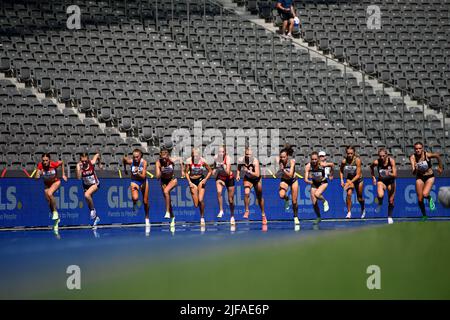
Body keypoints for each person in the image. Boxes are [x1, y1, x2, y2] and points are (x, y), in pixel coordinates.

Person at [409, 142, 443, 220]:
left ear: (422, 148)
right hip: (420, 177)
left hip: (429, 177)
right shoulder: (413, 157)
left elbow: (437, 155)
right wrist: (416, 169)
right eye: (416, 149)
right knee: (420, 199)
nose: (418, 150)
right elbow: (413, 172)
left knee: (425, 194)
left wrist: (440, 167)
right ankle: (424, 215)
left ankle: (429, 197)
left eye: (419, 148)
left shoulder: (426, 155)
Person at [35, 153, 67, 232]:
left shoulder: (54, 164)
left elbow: (62, 162)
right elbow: (36, 178)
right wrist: (38, 174)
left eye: (46, 160)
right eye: (43, 161)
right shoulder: (40, 166)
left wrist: (63, 174)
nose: (45, 162)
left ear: (49, 160)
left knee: (50, 193)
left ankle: (55, 212)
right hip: (47, 185)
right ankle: (56, 220)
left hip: (56, 182)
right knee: (49, 202)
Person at [236, 147, 267, 225]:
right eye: (247, 154)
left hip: (256, 179)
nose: (248, 156)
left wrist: (248, 171)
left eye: (249, 155)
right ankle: (247, 211)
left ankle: (263, 215)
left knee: (259, 198)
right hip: (248, 179)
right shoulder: (241, 160)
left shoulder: (255, 161)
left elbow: (257, 174)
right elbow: (239, 167)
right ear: (244, 154)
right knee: (246, 193)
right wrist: (238, 175)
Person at [156, 146, 183, 228]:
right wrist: (161, 170)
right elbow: (157, 177)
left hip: (172, 179)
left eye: (166, 154)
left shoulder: (171, 160)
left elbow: (181, 159)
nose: (164, 156)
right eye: (162, 154)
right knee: (167, 200)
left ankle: (167, 212)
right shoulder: (158, 162)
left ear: (168, 155)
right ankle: (173, 218)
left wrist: (182, 171)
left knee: (166, 192)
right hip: (163, 181)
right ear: (160, 155)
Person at [184, 148, 212, 227]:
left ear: (199, 155)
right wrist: (189, 182)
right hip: (192, 181)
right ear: (192, 155)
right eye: (194, 156)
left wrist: (205, 179)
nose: (195, 157)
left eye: (197, 156)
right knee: (196, 204)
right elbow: (186, 172)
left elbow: (210, 171)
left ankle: (202, 217)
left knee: (200, 199)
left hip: (200, 180)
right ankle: (200, 211)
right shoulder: (189, 161)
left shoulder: (203, 161)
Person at [304, 151, 334, 224]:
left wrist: (331, 174)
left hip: (323, 182)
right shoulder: (308, 166)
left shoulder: (322, 164)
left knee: (317, 194)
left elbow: (332, 165)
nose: (314, 161)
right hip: (314, 183)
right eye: (312, 159)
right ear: (310, 159)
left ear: (318, 159)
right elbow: (305, 179)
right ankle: (318, 217)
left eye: (315, 159)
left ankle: (325, 201)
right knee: (314, 202)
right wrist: (309, 181)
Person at [122, 149, 150, 227]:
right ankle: (134, 203)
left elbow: (144, 176)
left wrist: (138, 173)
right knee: (135, 198)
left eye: (137, 157)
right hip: (134, 181)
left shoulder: (144, 162)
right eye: (134, 157)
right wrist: (125, 169)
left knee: (145, 202)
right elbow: (124, 159)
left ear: (140, 156)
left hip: (143, 181)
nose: (135, 159)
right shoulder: (131, 162)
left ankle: (147, 217)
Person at [369, 148, 397, 224]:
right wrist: (373, 177)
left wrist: (388, 173)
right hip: (382, 181)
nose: (382, 158)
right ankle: (380, 203)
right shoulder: (377, 162)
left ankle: (389, 217)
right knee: (380, 195)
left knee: (391, 200)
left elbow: (395, 174)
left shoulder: (391, 161)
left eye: (383, 156)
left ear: (387, 155)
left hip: (391, 181)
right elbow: (371, 167)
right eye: (380, 156)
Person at [76, 152, 101, 228]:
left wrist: (99, 164)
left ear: (88, 159)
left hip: (95, 184)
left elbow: (98, 154)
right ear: (80, 160)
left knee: (87, 195)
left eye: (85, 161)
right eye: (82, 161)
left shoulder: (92, 162)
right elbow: (78, 178)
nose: (84, 162)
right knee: (88, 202)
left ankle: (93, 210)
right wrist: (79, 169)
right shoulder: (79, 166)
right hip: (86, 186)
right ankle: (96, 218)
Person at [340, 146, 366, 219]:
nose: (350, 155)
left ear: (354, 153)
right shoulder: (344, 161)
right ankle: (349, 212)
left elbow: (358, 175)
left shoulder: (357, 160)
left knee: (359, 198)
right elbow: (341, 171)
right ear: (346, 153)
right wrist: (342, 180)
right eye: (348, 153)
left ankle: (363, 207)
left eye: (351, 153)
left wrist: (348, 183)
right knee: (349, 194)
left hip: (359, 180)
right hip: (349, 178)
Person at [213, 145, 236, 225]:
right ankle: (221, 210)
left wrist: (223, 166)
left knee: (230, 200)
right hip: (220, 177)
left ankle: (232, 215)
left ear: (225, 152)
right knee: (219, 192)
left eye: (222, 152)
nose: (220, 153)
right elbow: (214, 168)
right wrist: (215, 170)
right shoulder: (216, 158)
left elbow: (228, 173)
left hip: (229, 178)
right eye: (219, 152)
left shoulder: (228, 159)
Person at [278, 144, 299, 225]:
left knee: (294, 201)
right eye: (281, 157)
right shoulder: (280, 161)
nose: (282, 158)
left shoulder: (292, 161)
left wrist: (283, 170)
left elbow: (290, 175)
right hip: (285, 180)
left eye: (284, 157)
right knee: (281, 195)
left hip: (293, 180)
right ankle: (287, 199)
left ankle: (295, 216)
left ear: (287, 156)